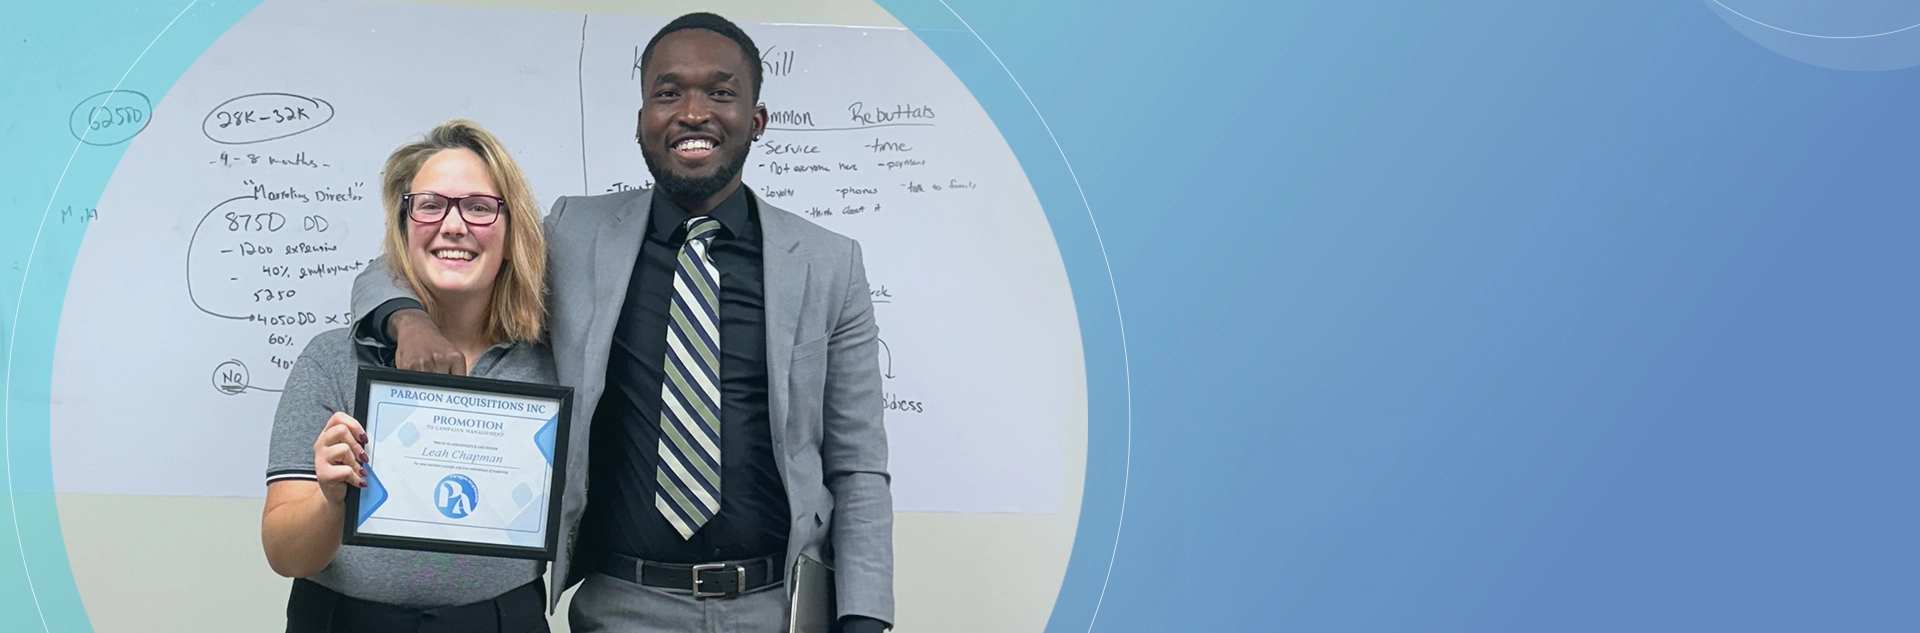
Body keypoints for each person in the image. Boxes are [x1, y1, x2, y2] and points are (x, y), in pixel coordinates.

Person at [350, 12, 894, 633]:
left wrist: (864, 618)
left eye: (720, 93)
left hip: (776, 606)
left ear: (757, 120)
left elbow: (857, 464)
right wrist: (408, 320)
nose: (693, 113)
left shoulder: (828, 263)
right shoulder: (574, 235)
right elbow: (403, 262)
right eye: (668, 93)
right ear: (641, 121)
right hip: (621, 605)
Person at [262, 119, 564, 633]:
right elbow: (286, 556)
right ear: (404, 227)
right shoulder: (332, 360)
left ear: (511, 230)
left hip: (502, 620)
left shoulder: (554, 362)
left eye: (479, 207)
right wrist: (330, 499)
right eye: (430, 205)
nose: (453, 225)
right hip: (344, 620)